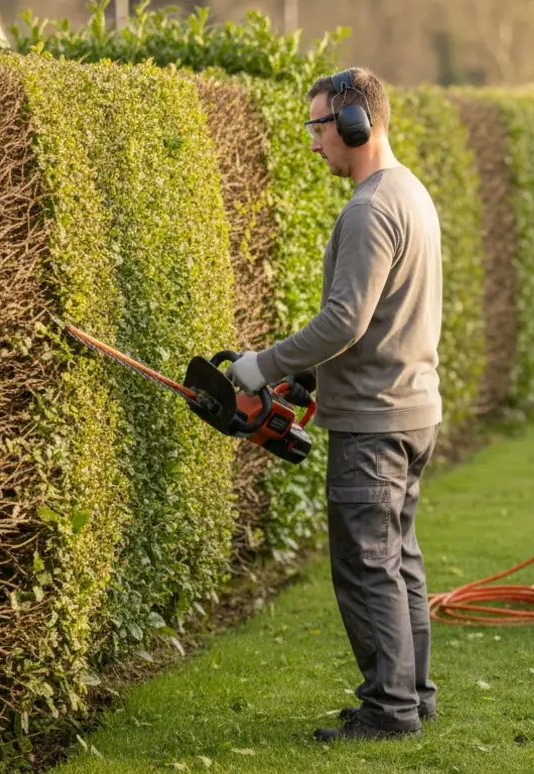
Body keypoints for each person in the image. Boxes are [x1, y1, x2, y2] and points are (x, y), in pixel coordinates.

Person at [225, 66, 444, 743]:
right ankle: (413, 696)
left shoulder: (371, 208)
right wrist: (313, 381)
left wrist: (261, 366)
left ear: (354, 125)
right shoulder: (410, 192)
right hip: (411, 410)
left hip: (376, 422)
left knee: (366, 566)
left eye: (318, 126)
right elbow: (383, 317)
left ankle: (388, 711)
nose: (313, 141)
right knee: (397, 557)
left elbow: (346, 321)